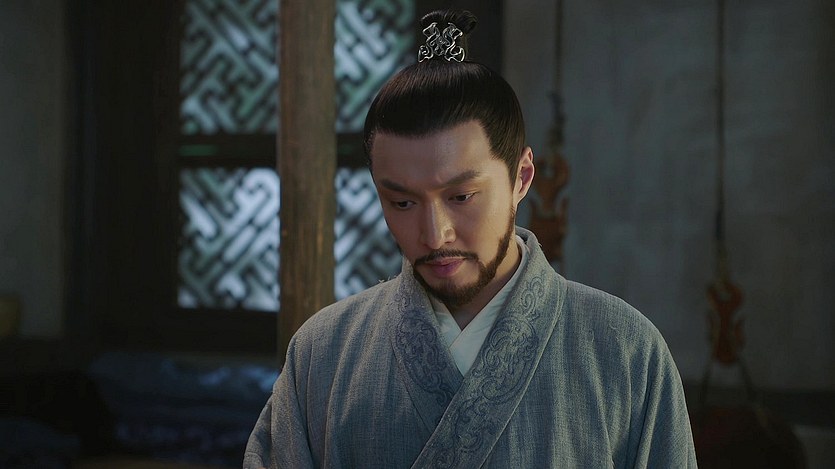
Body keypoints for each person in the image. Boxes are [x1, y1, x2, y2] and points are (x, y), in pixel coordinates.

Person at [245, 9, 696, 468]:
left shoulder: (626, 350)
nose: (434, 234)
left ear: (521, 177)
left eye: (461, 196)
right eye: (402, 202)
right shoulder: (322, 353)